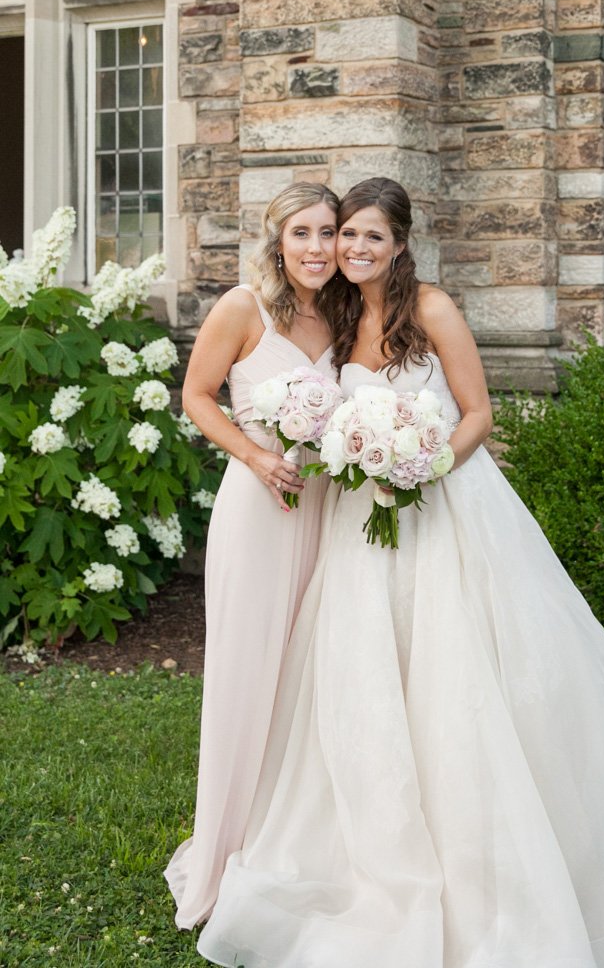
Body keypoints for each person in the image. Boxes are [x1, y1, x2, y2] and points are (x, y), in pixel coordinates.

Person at [196, 178, 604, 968]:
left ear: (400, 244)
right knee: (361, 670)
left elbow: (478, 413)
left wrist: (425, 465)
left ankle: (477, 833)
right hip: (358, 519)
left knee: (453, 668)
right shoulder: (339, 314)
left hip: (442, 506)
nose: (350, 248)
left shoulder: (433, 308)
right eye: (343, 234)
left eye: (368, 236)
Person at [164, 181, 340, 930]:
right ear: (278, 239)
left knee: (313, 672)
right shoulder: (243, 307)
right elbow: (196, 395)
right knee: (246, 671)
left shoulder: (348, 313)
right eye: (302, 232)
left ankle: (296, 835)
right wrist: (256, 456)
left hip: (330, 508)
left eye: (328, 232)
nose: (317, 248)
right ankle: (224, 848)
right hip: (260, 505)